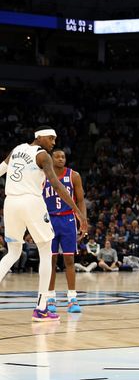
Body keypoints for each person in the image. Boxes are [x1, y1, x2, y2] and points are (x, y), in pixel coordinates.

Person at [0, 127, 87, 321]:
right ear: (39, 137)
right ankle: (42, 307)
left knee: (13, 252)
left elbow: (0, 170)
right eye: (51, 138)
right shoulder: (42, 156)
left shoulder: (17, 150)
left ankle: (44, 304)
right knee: (46, 251)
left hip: (11, 202)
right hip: (31, 202)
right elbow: (57, 185)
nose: (53, 143)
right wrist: (78, 212)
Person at [44, 149, 87, 314]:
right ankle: (50, 298)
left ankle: (72, 298)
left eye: (63, 156)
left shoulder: (74, 175)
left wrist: (83, 219)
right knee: (51, 262)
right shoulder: (43, 175)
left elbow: (81, 200)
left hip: (68, 220)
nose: (61, 159)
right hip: (49, 220)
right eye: (57, 156)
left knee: (69, 260)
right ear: (51, 158)